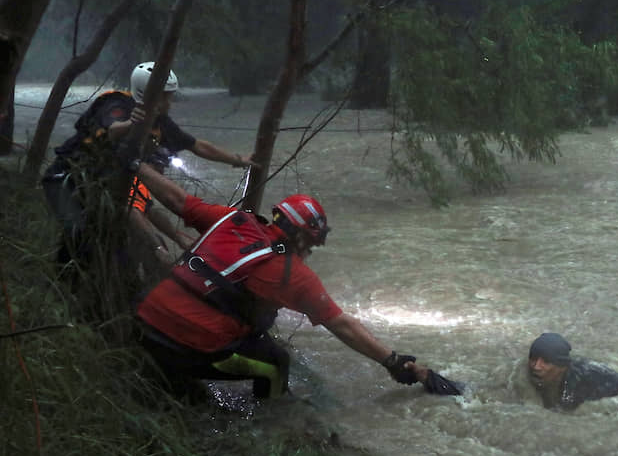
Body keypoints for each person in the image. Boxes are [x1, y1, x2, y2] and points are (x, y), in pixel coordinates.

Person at [125, 159, 459, 399]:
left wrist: (134, 163)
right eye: (312, 243)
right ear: (299, 238)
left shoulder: (232, 220)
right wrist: (392, 362)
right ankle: (274, 429)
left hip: (143, 324)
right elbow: (342, 325)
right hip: (185, 346)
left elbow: (175, 199)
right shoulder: (292, 275)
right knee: (276, 363)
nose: (311, 251)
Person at [42, 61, 254, 272]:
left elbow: (198, 146)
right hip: (66, 178)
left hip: (104, 187)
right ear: (147, 93)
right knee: (77, 232)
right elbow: (113, 130)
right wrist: (133, 124)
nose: (169, 103)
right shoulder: (116, 104)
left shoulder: (161, 123)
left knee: (124, 246)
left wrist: (238, 160)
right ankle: (61, 284)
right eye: (165, 96)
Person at [527, 332, 618, 411]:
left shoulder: (576, 385)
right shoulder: (532, 371)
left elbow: (562, 413)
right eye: (533, 358)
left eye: (546, 362)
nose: (536, 366)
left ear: (562, 366)